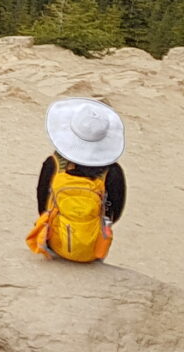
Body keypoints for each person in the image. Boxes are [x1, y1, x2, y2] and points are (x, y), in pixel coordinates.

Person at [26, 97, 125, 263]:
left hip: (53, 241)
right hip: (93, 246)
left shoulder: (54, 164)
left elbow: (42, 203)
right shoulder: (113, 172)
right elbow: (116, 211)